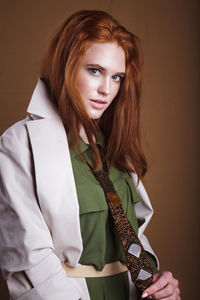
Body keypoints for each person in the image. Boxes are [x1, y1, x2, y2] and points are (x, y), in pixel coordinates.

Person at [0, 10, 180, 300]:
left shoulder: (113, 142)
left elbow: (130, 234)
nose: (106, 90)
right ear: (67, 67)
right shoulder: (19, 144)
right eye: (94, 70)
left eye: (117, 77)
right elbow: (29, 259)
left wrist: (157, 281)